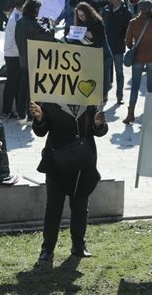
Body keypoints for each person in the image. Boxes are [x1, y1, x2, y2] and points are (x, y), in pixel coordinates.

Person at [29, 98, 107, 265]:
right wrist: (40, 118)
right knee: (53, 207)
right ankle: (47, 249)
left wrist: (98, 124)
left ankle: (78, 246)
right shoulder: (50, 102)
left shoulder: (89, 100)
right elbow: (40, 132)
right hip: (56, 163)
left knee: (80, 206)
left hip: (82, 164)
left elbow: (98, 131)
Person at [14, 0, 56, 121]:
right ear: (35, 9)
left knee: (22, 89)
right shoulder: (32, 24)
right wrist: (51, 24)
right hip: (34, 61)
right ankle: (31, 116)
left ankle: (21, 113)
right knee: (33, 91)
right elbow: (48, 36)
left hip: (23, 59)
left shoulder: (21, 22)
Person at [70, 2, 112, 104]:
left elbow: (102, 39)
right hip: (90, 55)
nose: (81, 18)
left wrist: (92, 35)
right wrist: (71, 36)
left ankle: (104, 95)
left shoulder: (97, 22)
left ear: (88, 13)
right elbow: (75, 40)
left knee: (103, 76)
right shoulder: (79, 22)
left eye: (82, 15)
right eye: (79, 16)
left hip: (103, 54)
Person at [102, 0, 131, 104]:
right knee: (105, 71)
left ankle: (120, 96)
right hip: (106, 46)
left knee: (119, 72)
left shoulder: (125, 12)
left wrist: (124, 41)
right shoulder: (106, 9)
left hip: (118, 47)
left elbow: (128, 30)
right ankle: (105, 94)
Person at [2, 0, 27, 118]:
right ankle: (7, 110)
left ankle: (15, 109)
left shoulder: (16, 15)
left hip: (13, 53)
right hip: (14, 54)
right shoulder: (17, 18)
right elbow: (18, 38)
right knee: (12, 84)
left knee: (15, 83)